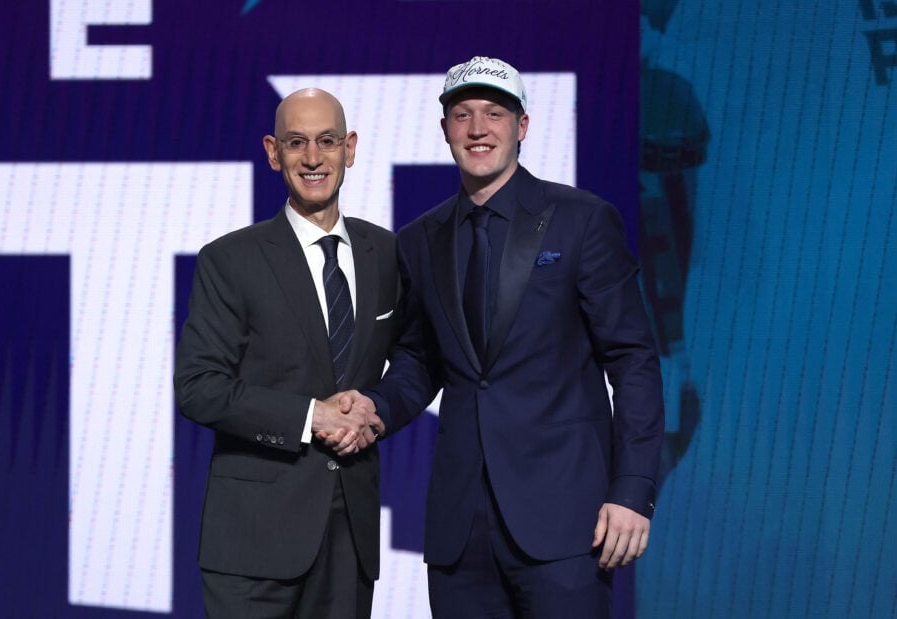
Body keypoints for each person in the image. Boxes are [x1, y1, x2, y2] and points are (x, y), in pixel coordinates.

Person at [336, 56, 665, 617]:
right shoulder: (419, 239)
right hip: (460, 529)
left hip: (567, 521)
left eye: (494, 113)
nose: (478, 128)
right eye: (462, 115)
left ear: (523, 126)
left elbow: (632, 360)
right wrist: (375, 406)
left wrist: (632, 491)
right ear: (446, 131)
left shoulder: (582, 220)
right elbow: (421, 361)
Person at [174, 88, 398, 619]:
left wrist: (376, 409)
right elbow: (199, 386)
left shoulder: (386, 253)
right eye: (297, 143)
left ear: (351, 148)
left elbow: (418, 359)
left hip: (350, 539)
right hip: (253, 544)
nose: (313, 158)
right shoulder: (230, 260)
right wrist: (310, 416)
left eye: (326, 141)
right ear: (274, 152)